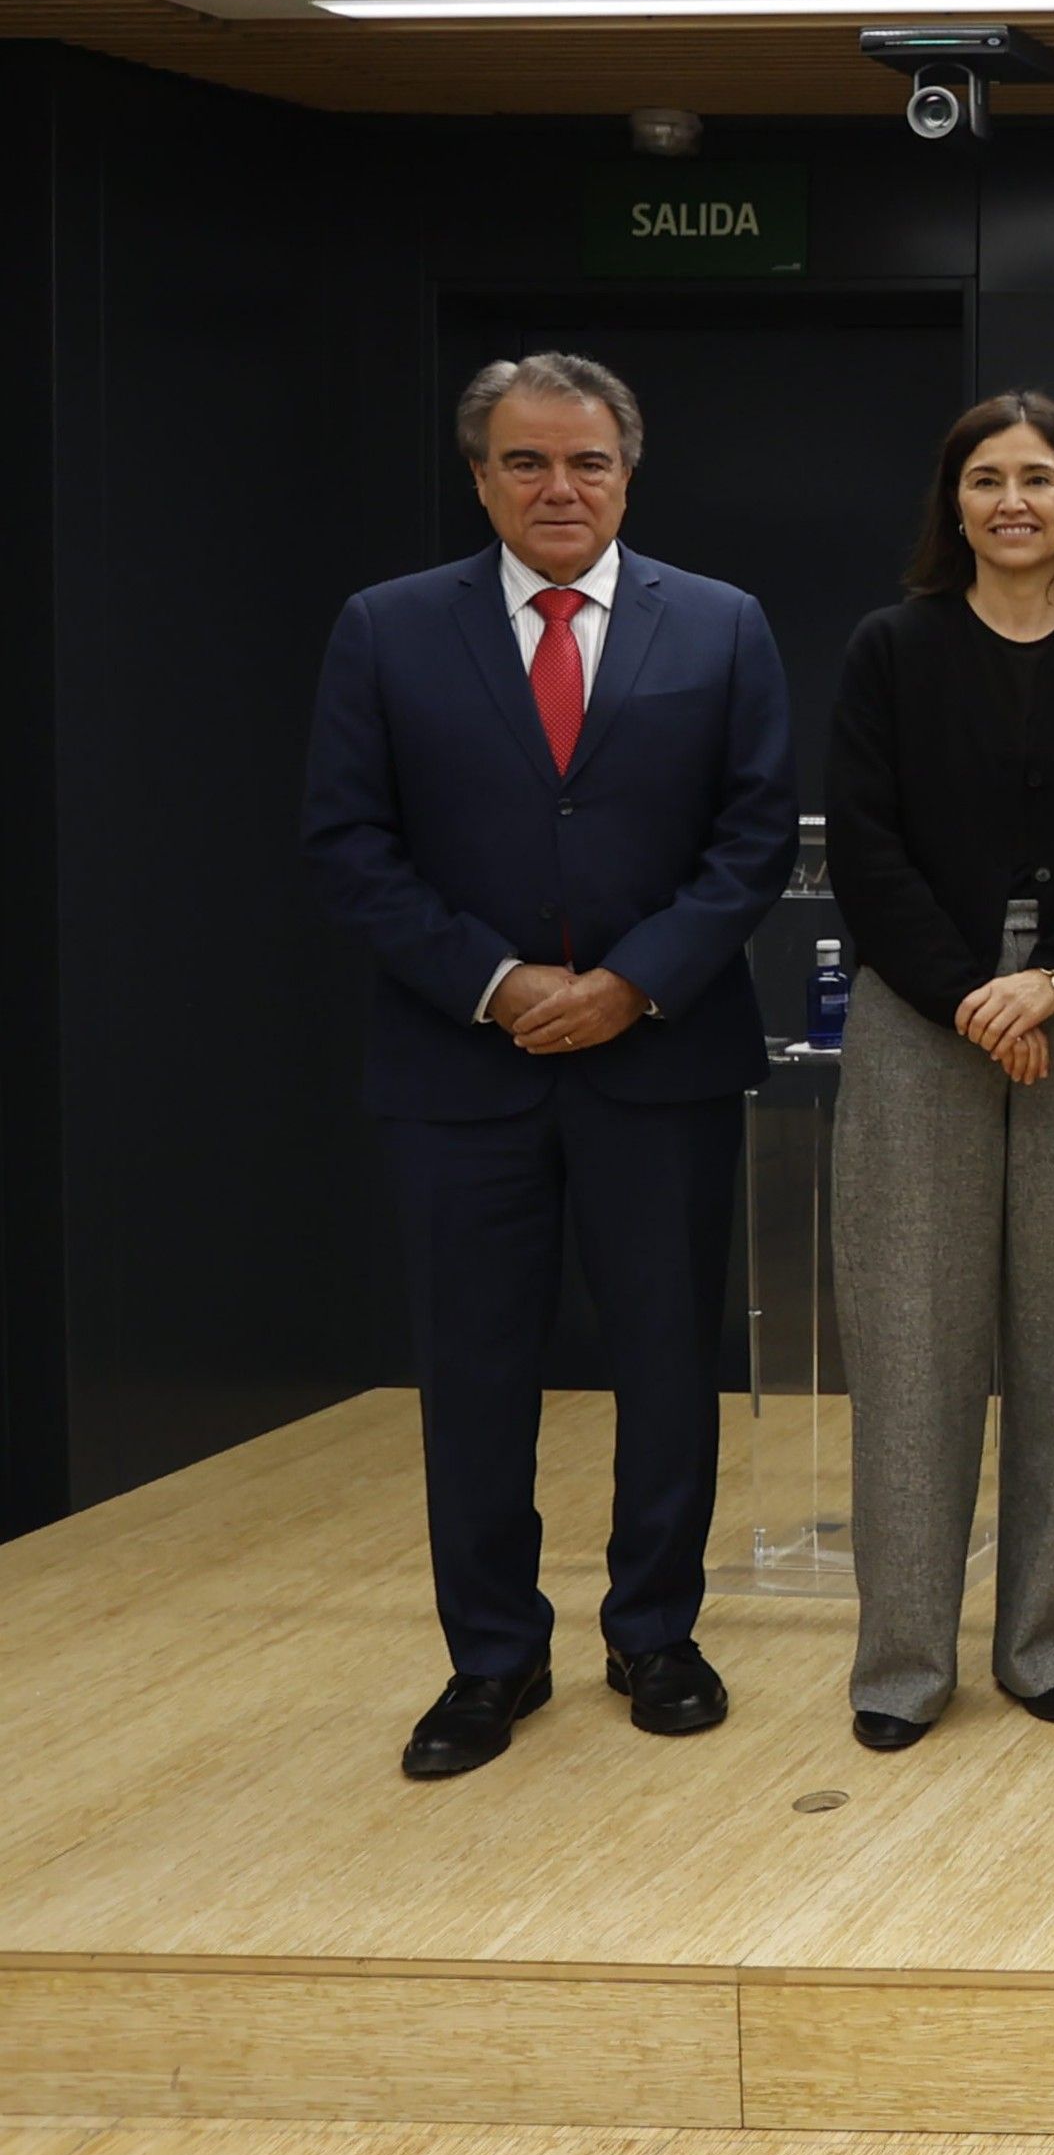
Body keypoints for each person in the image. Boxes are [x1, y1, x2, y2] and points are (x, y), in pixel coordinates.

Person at [304, 355, 793, 1780]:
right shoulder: (388, 627)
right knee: (474, 1372)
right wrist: (499, 982)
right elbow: (348, 843)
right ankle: (491, 1656)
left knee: (668, 1362)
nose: (558, 487)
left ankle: (657, 1633)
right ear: (480, 478)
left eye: (586, 462)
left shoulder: (723, 623)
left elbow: (755, 835)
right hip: (462, 1065)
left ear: (628, 476)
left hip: (662, 1055)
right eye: (526, 461)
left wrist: (632, 981)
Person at [824, 392, 1054, 1751]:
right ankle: (902, 1660)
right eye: (986, 479)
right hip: (923, 1013)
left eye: (1038, 477)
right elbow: (864, 845)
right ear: (955, 504)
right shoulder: (889, 649)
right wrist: (971, 995)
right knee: (910, 1340)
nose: (1013, 501)